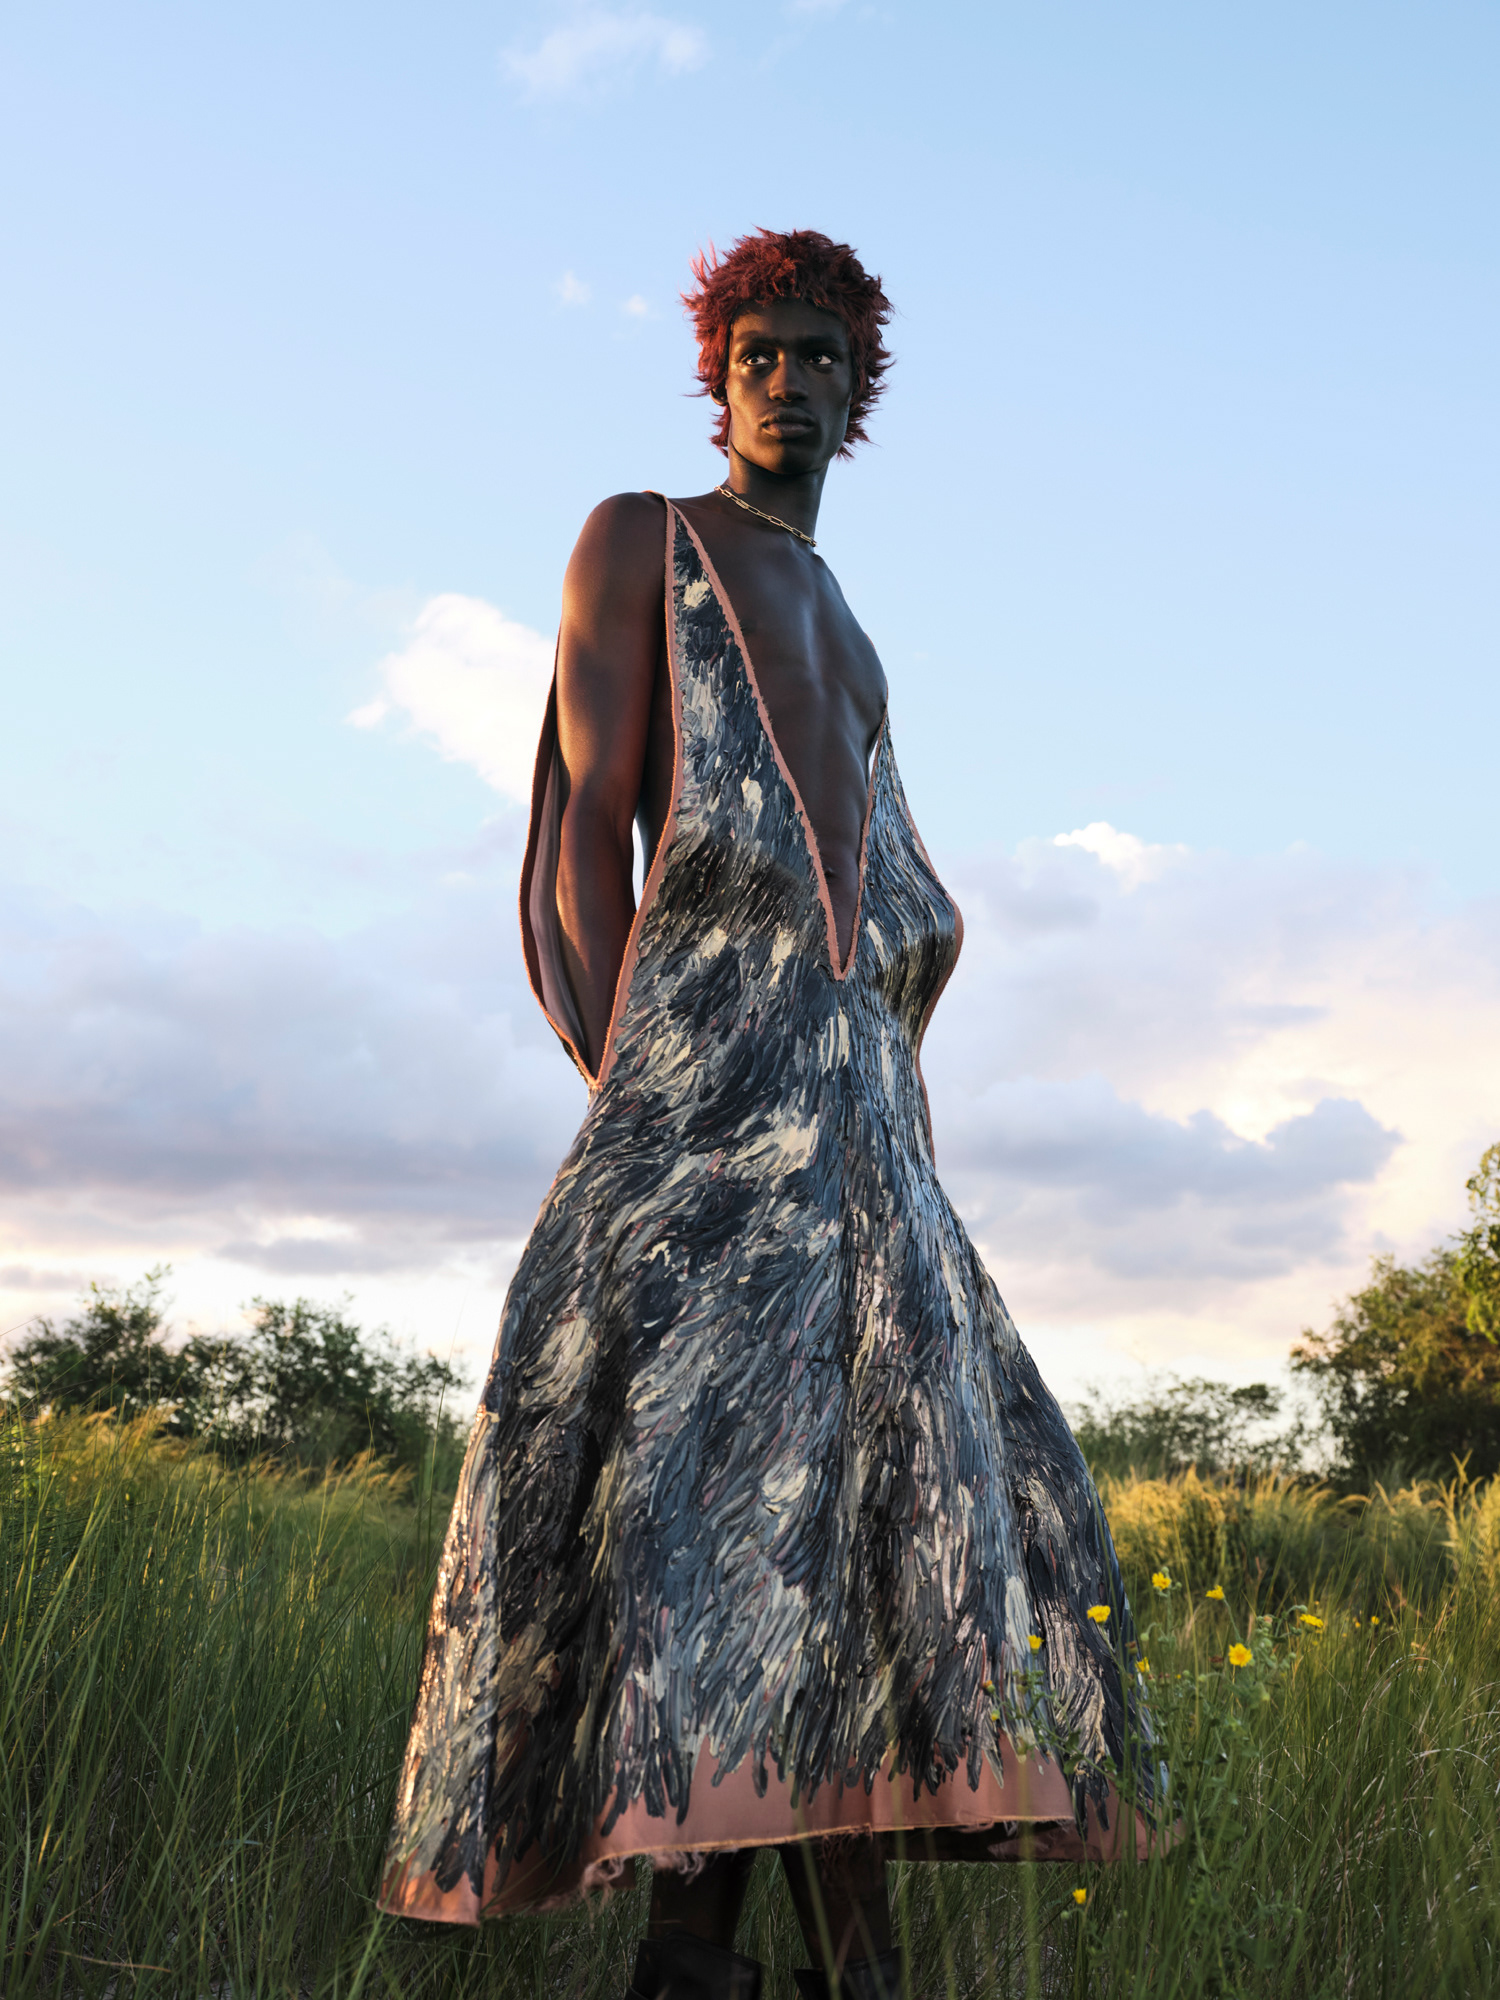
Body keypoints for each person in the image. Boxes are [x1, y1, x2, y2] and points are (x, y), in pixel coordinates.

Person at [379, 229, 1158, 2000]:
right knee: (705, 1532)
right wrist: (641, 1105)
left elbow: (884, 916)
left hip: (868, 1150)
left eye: (820, 357)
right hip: (701, 1112)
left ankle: (780, 1969)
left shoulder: (861, 641)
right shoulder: (643, 540)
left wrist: (900, 1167)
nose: (788, 381)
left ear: (859, 392)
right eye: (759, 355)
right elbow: (583, 839)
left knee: (864, 1546)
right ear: (716, 379)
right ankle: (739, 1963)